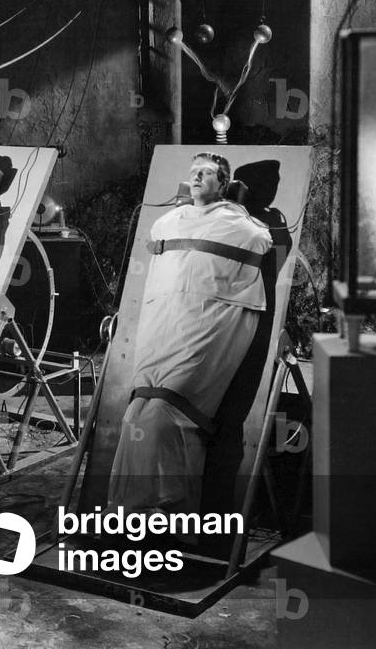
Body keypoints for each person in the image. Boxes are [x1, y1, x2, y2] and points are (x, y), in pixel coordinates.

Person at [107, 152, 273, 519]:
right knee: (136, 413)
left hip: (205, 324)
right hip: (163, 319)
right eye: (194, 172)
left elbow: (259, 242)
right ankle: (129, 509)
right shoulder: (169, 222)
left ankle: (167, 507)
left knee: (164, 413)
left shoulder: (242, 226)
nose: (197, 177)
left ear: (223, 183)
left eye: (207, 173)